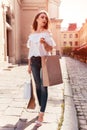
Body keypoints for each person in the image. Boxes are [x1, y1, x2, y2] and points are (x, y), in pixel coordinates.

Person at [27, 10, 56, 126]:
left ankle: (41, 114)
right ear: (37, 19)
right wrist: (29, 65)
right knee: (37, 86)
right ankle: (40, 108)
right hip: (34, 61)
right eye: (42, 17)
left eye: (46, 18)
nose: (44, 19)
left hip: (44, 61)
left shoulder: (47, 33)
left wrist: (44, 44)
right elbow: (30, 51)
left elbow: (50, 49)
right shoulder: (32, 35)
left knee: (44, 87)